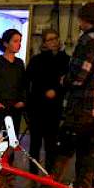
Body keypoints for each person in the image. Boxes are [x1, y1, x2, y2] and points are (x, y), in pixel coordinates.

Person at [24, 2, 94, 188]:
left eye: (80, 21)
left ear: (86, 19)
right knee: (86, 160)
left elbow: (78, 76)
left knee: (59, 157)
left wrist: (63, 81)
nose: (79, 25)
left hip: (81, 110)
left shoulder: (89, 40)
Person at [23, 28, 69, 175]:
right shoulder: (36, 60)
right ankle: (33, 174)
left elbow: (68, 82)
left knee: (51, 144)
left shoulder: (66, 60)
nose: (54, 42)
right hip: (37, 107)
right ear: (44, 43)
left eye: (55, 38)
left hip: (54, 108)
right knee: (35, 143)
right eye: (50, 39)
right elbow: (28, 82)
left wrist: (57, 91)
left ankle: (50, 175)